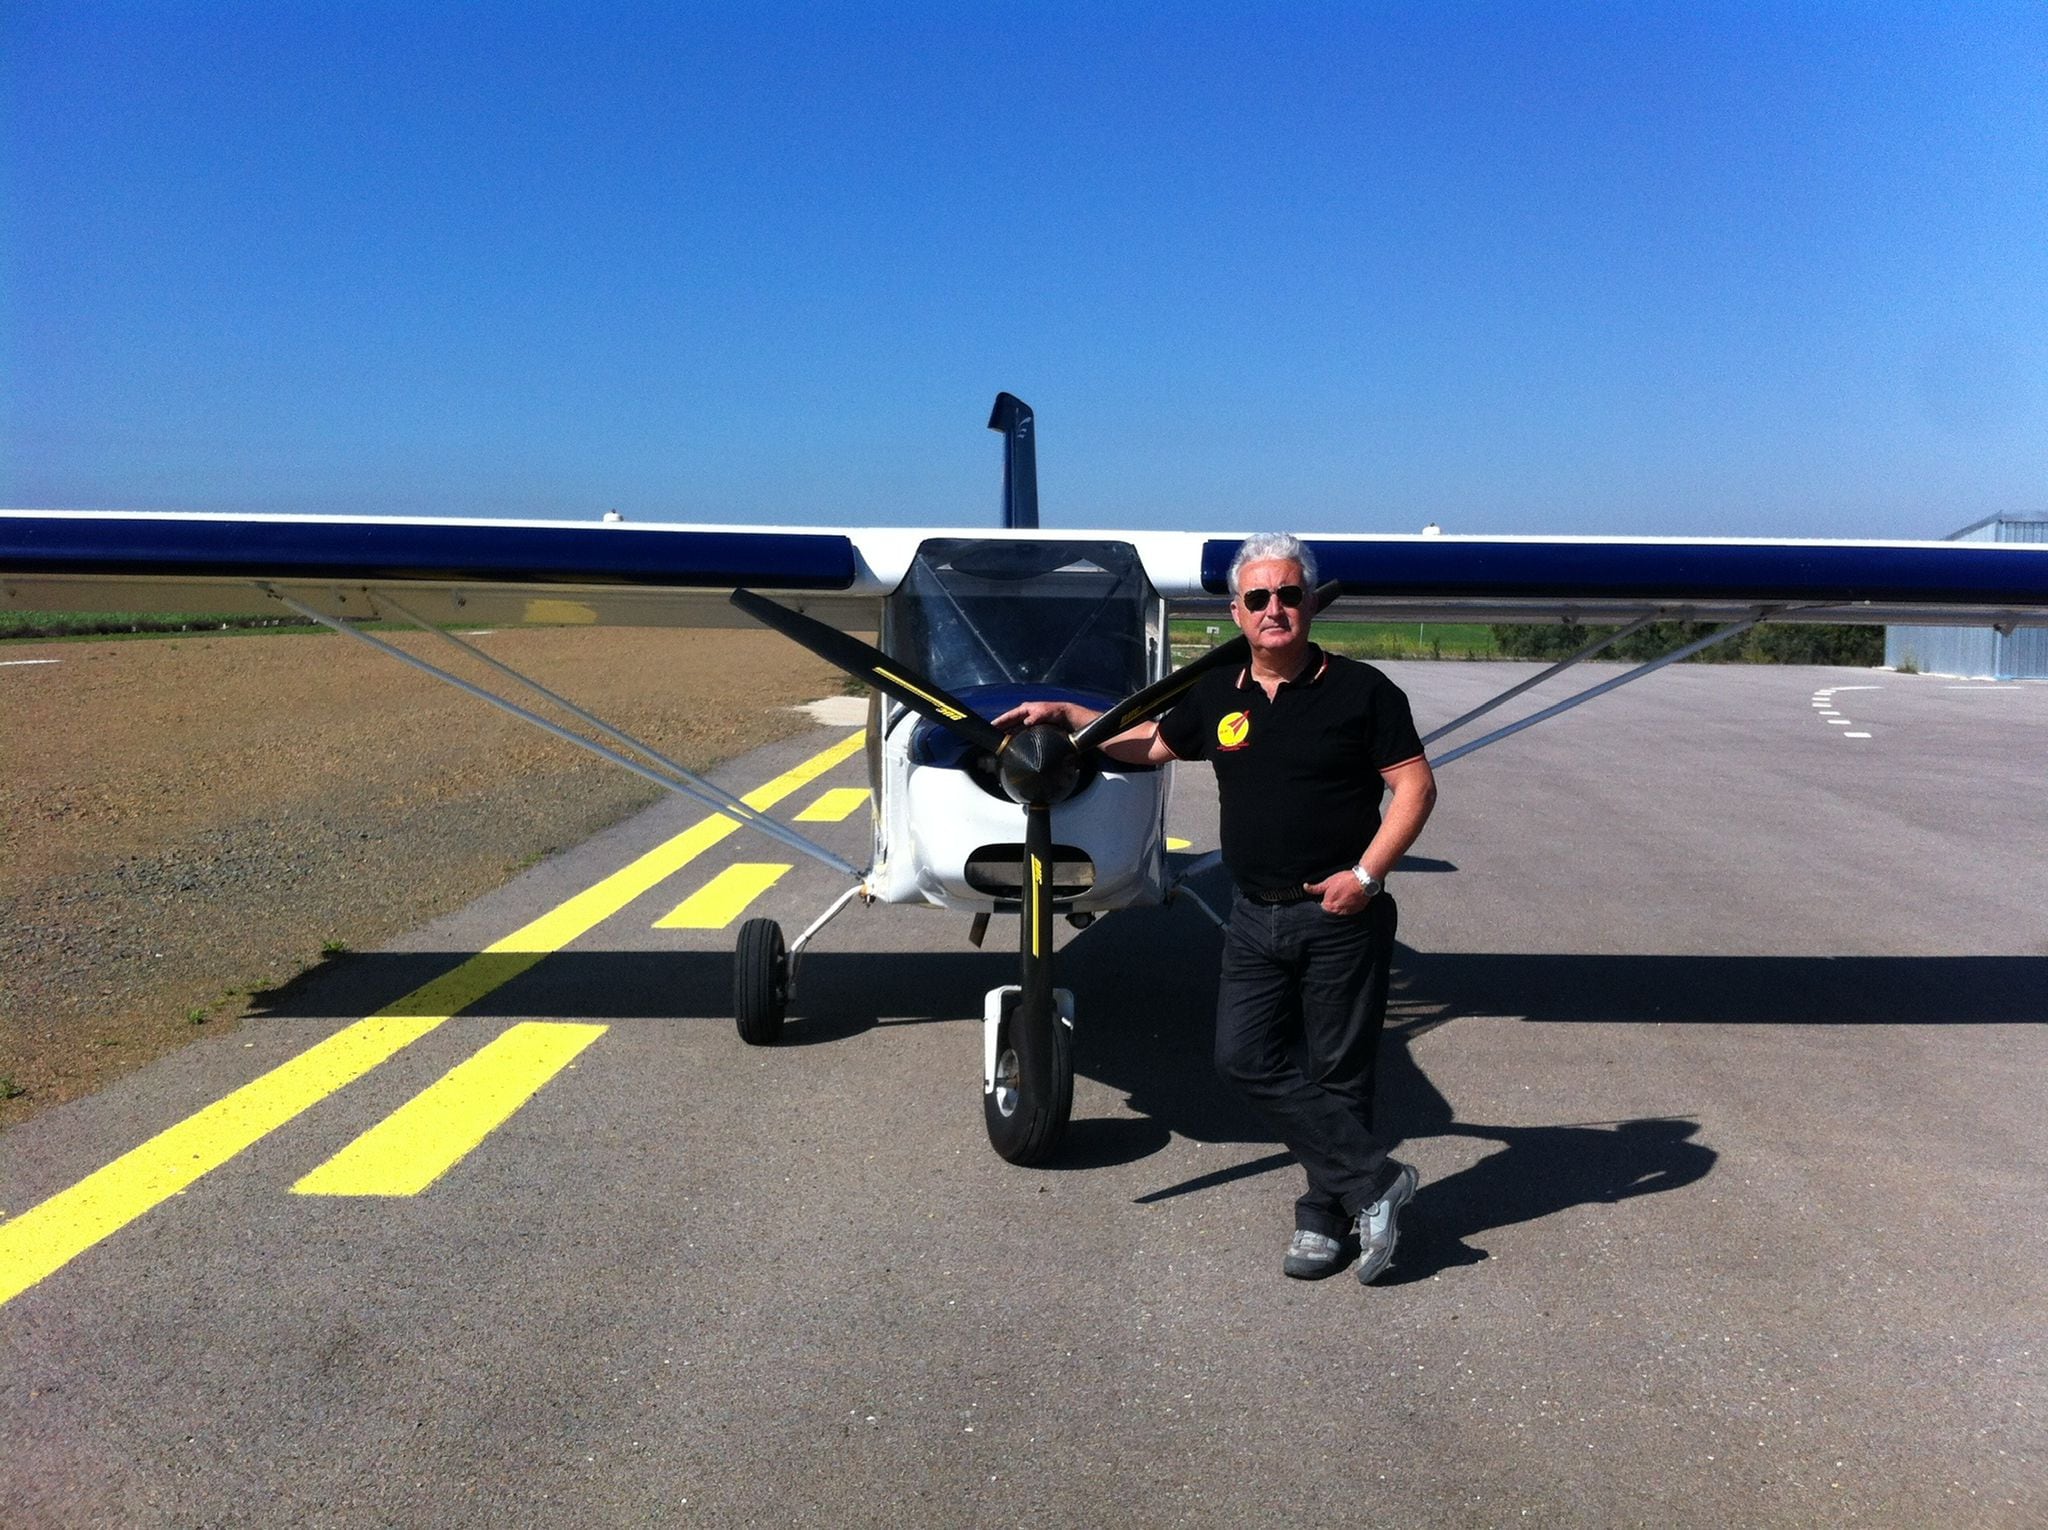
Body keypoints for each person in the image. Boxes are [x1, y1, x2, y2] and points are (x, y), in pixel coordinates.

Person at [994, 533, 1437, 1284]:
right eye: (1259, 598)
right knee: (1241, 1058)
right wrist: (1070, 722)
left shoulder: (1363, 692)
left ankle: (1325, 1223)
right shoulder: (1218, 693)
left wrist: (1365, 874)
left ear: (1308, 605)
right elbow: (1153, 745)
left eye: (1289, 595)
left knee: (1339, 1074)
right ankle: (1374, 1182)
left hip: (1339, 913)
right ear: (1237, 611)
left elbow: (1416, 787)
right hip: (1253, 914)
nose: (1275, 609)